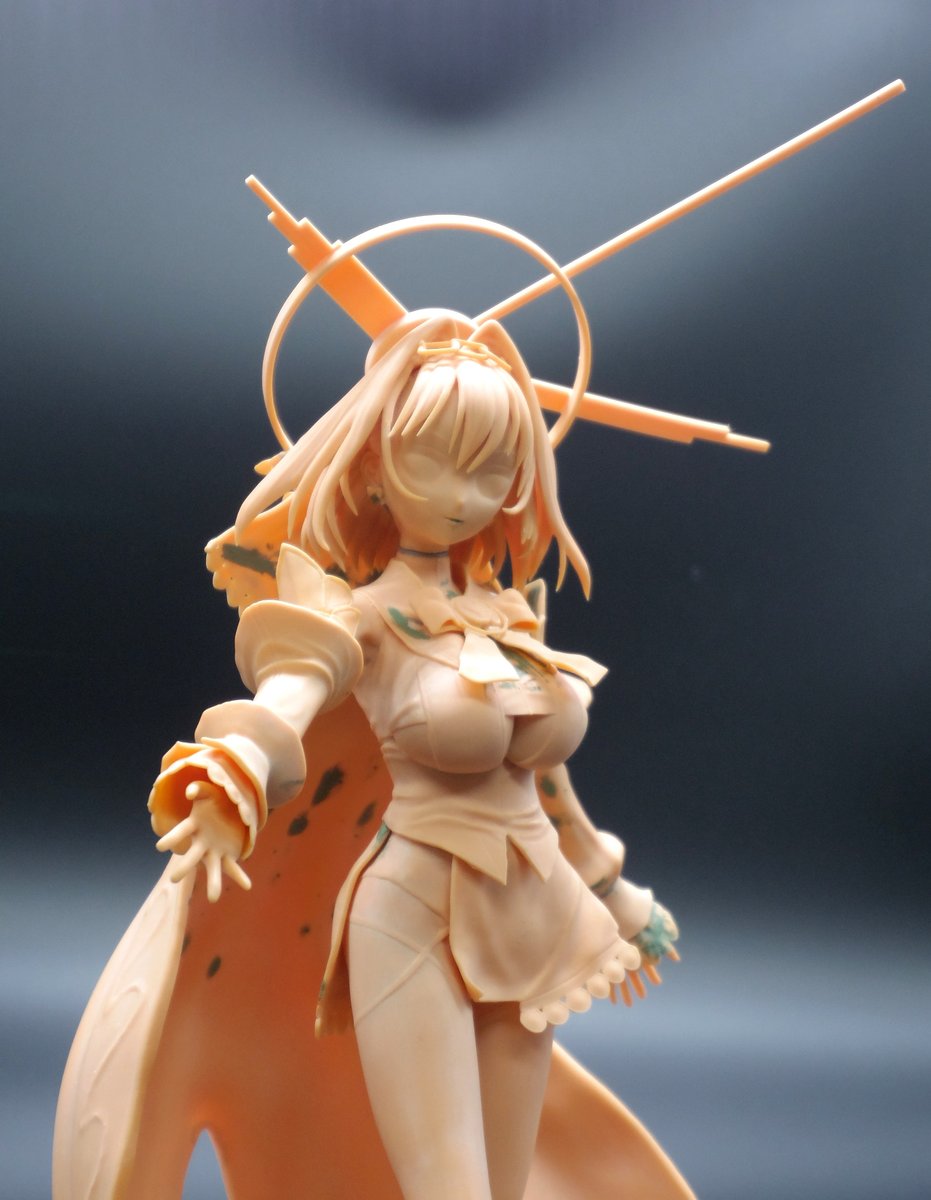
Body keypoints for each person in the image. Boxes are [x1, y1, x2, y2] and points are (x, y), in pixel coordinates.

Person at [54, 223, 690, 1200]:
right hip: (412, 920)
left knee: (507, 1187)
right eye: (432, 459)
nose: (463, 495)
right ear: (376, 461)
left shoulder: (513, 616)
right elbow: (289, 697)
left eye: (490, 468)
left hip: (532, 916)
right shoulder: (356, 614)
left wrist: (612, 892)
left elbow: (545, 783)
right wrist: (232, 774)